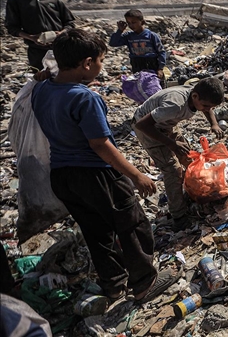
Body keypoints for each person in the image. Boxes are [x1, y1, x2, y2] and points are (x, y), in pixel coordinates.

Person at [30, 29, 166, 302]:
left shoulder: (42, 89)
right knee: (132, 225)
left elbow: (44, 83)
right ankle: (144, 283)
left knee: (96, 231)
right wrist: (137, 175)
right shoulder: (85, 98)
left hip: (62, 176)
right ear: (87, 63)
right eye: (101, 60)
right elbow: (100, 145)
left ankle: (113, 285)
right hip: (96, 175)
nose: (102, 66)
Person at [132, 78, 225, 230]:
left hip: (166, 124)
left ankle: (197, 193)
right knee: (173, 171)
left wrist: (214, 124)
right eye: (205, 106)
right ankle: (178, 215)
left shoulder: (196, 97)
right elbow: (142, 124)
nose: (207, 109)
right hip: (148, 130)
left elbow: (207, 107)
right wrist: (171, 144)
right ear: (195, 96)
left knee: (190, 159)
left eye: (211, 107)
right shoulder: (174, 105)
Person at [4, 0, 76, 71]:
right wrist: (31, 37)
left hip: (61, 48)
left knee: (66, 74)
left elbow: (70, 22)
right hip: (37, 51)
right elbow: (12, 28)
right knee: (42, 76)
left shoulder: (54, 0)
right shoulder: (16, 2)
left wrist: (61, 34)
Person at [109, 9, 167, 80]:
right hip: (137, 64)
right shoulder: (128, 36)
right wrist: (120, 30)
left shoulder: (151, 36)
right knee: (140, 84)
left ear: (142, 22)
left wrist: (160, 68)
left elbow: (161, 52)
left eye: (133, 22)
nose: (131, 25)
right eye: (128, 23)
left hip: (151, 64)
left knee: (154, 83)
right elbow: (113, 43)